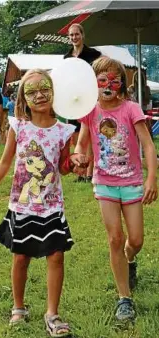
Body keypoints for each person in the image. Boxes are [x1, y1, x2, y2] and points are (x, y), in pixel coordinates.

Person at [0, 69, 88, 336]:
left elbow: (62, 167)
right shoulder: (20, 126)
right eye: (32, 91)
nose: (39, 95)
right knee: (21, 258)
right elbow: (5, 160)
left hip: (52, 205)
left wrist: (73, 162)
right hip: (23, 205)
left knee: (57, 256)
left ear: (54, 92)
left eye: (44, 89)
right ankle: (18, 307)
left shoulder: (65, 130)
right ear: (23, 98)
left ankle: (52, 313)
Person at [75, 57, 158, 322]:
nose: (108, 85)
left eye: (114, 80)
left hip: (132, 182)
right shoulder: (90, 111)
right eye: (102, 80)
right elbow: (81, 143)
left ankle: (130, 259)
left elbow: (147, 144)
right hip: (105, 183)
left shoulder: (131, 109)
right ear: (94, 83)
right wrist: (79, 156)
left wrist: (151, 178)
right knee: (115, 238)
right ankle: (125, 299)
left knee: (135, 241)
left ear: (122, 83)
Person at [64, 23, 101, 182]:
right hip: (73, 100)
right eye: (71, 35)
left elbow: (100, 73)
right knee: (76, 136)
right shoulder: (66, 58)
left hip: (89, 98)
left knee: (90, 136)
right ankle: (80, 169)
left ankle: (89, 173)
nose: (74, 37)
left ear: (82, 35)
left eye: (76, 34)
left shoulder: (93, 54)